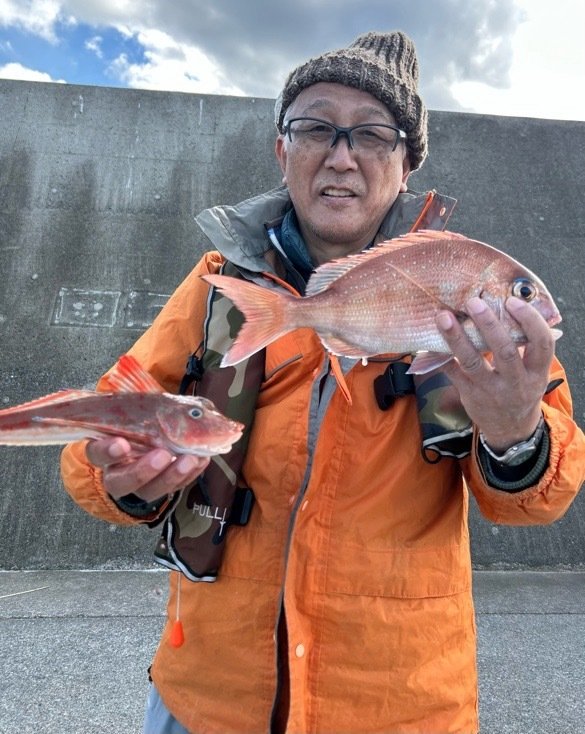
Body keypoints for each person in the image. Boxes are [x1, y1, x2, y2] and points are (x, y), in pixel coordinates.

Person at [60, 30, 585, 734]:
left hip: (399, 706)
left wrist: (516, 434)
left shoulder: (475, 290)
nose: (341, 156)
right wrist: (122, 477)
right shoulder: (218, 286)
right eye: (315, 128)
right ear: (282, 150)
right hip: (209, 696)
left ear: (406, 164)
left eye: (372, 134)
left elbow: (536, 501)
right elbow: (102, 426)